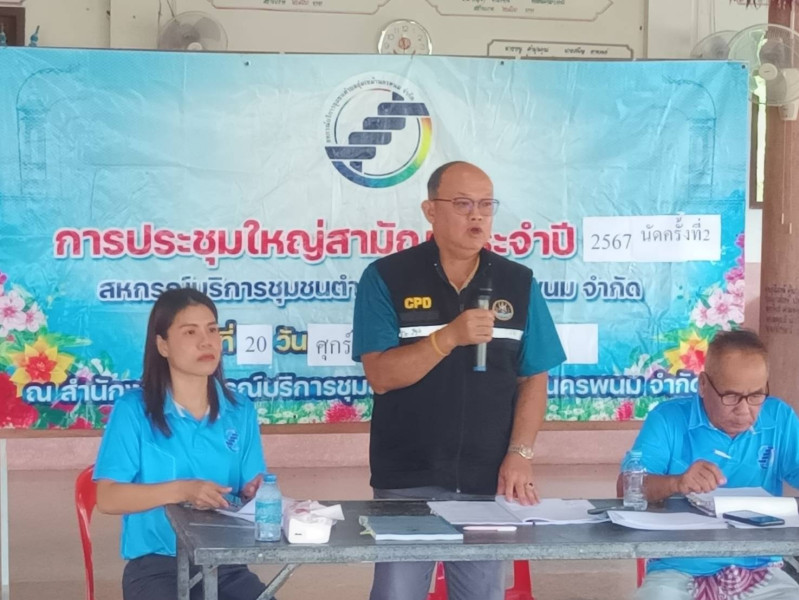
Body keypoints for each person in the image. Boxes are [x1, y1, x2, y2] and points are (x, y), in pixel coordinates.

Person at [352, 161, 566, 600]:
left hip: (486, 479)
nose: (477, 216)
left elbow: (533, 378)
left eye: (486, 205)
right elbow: (381, 375)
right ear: (430, 210)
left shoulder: (517, 282)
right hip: (407, 477)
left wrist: (520, 453)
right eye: (463, 204)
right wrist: (448, 337)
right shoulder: (386, 277)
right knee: (397, 594)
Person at [94, 288, 268, 600]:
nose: (206, 341)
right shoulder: (133, 410)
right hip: (156, 568)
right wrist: (183, 490)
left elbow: (251, 491)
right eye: (190, 332)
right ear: (162, 345)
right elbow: (107, 498)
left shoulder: (240, 410)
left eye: (212, 330)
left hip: (226, 565)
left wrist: (256, 494)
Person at [624, 329, 799, 599]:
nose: (744, 409)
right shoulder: (668, 419)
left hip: (760, 566)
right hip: (678, 567)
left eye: (756, 396)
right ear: (703, 384)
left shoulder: (779, 417)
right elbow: (626, 488)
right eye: (731, 396)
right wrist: (676, 482)